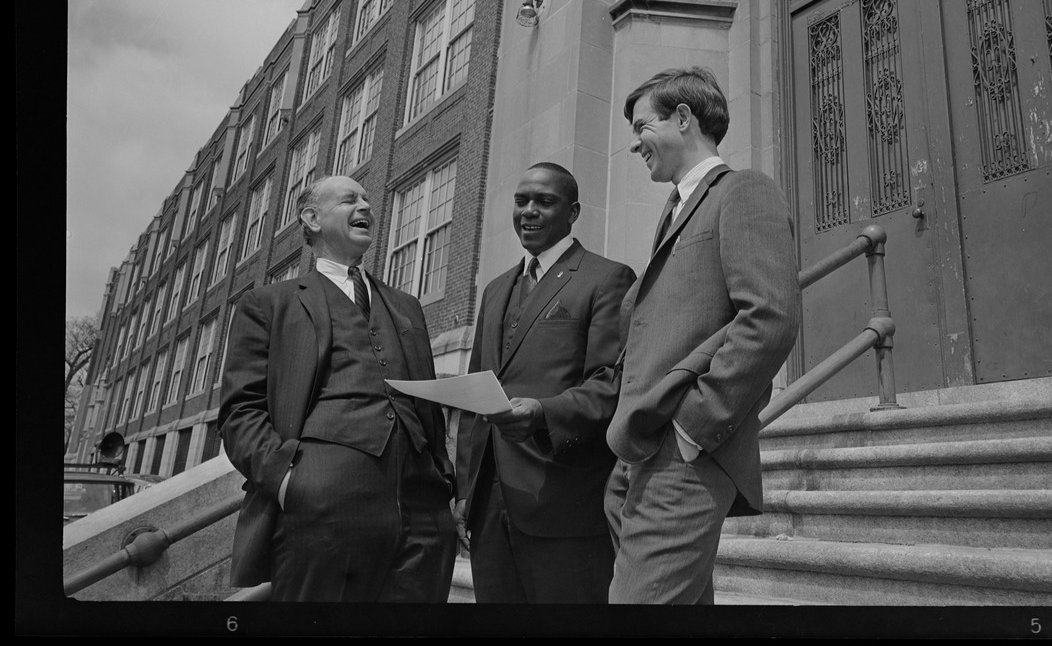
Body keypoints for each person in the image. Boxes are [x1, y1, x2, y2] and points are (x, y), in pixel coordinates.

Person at [605, 67, 801, 604]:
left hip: (683, 453)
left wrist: (694, 427)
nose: (634, 146)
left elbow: (769, 317)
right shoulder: (674, 211)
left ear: (684, 118)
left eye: (642, 126)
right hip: (640, 453)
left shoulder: (744, 192)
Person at [217, 175, 457, 602]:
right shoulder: (270, 303)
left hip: (424, 516)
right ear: (312, 218)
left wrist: (443, 480)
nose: (366, 205)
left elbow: (427, 401)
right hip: (321, 512)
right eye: (350, 200)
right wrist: (289, 482)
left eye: (367, 198)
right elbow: (241, 411)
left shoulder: (406, 305)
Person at [454, 163, 635, 603]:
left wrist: (543, 413)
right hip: (489, 506)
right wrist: (464, 491)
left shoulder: (607, 278)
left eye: (544, 201)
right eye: (521, 201)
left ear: (572, 212)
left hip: (564, 502)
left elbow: (610, 385)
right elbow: (475, 396)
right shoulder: (496, 289)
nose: (529, 211)